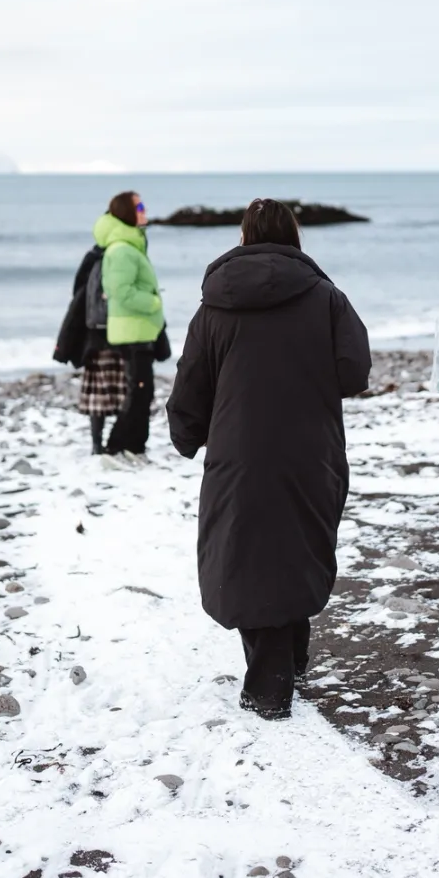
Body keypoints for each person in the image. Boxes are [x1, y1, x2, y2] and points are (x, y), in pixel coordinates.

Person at [167, 199, 372, 719]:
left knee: (245, 553)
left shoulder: (215, 304)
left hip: (238, 449)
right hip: (310, 446)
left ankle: (272, 678)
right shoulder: (325, 296)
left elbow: (192, 380)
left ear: (243, 236)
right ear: (293, 237)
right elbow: (354, 371)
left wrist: (186, 432)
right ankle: (283, 666)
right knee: (296, 545)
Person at [93, 191, 165, 465]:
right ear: (127, 211)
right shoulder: (122, 249)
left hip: (139, 330)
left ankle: (135, 447)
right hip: (131, 332)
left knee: (142, 392)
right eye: (140, 206)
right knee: (138, 391)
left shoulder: (131, 244)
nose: (145, 210)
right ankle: (115, 448)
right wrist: (154, 302)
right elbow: (120, 291)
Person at [52, 230, 128, 454]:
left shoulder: (95, 256)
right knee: (116, 393)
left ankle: (100, 444)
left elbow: (78, 292)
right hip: (104, 334)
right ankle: (104, 444)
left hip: (95, 335)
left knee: (102, 395)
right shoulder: (109, 257)